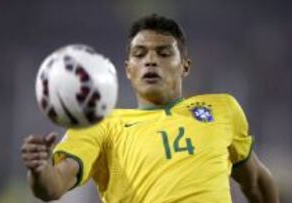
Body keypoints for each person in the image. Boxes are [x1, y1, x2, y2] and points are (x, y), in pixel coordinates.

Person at [21, 14, 279, 203]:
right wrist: (39, 169)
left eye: (164, 53)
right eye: (140, 54)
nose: (151, 61)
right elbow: (52, 187)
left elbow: (255, 182)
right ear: (128, 69)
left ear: (185, 66)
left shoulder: (222, 108)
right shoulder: (102, 124)